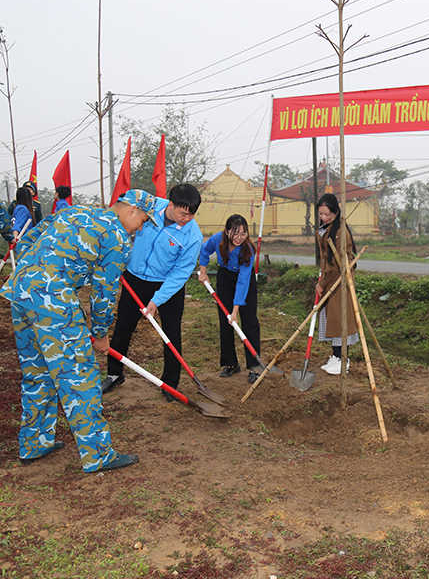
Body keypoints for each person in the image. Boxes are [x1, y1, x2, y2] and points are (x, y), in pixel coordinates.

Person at [0, 190, 158, 471]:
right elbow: (104, 292)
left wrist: (29, 269)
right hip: (53, 302)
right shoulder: (118, 238)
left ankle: (35, 443)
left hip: (20, 292)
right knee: (79, 377)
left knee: (37, 372)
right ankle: (97, 455)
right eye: (144, 220)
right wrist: (100, 333)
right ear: (132, 210)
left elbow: (27, 239)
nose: (142, 227)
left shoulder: (75, 211)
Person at [102, 184, 203, 400]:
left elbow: (180, 273)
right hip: (135, 278)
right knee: (122, 328)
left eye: (191, 215)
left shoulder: (193, 236)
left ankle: (170, 384)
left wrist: (157, 300)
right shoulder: (148, 206)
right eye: (183, 213)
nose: (187, 219)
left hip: (167, 285)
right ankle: (114, 373)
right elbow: (120, 212)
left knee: (171, 334)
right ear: (171, 204)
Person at [197, 214, 264, 383]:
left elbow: (242, 284)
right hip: (225, 278)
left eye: (243, 233)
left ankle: (255, 366)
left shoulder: (247, 250)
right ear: (227, 232)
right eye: (235, 233)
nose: (239, 237)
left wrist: (235, 311)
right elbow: (204, 250)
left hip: (245, 282)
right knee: (225, 321)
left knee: (250, 322)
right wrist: (203, 271)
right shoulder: (217, 239)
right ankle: (230, 363)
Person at [316, 193, 358, 375]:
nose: (324, 218)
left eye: (328, 214)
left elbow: (336, 263)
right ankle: (335, 356)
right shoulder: (327, 228)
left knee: (341, 320)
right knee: (332, 320)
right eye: (321, 214)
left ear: (336, 212)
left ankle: (343, 360)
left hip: (339, 281)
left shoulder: (340, 231)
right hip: (330, 279)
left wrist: (322, 283)